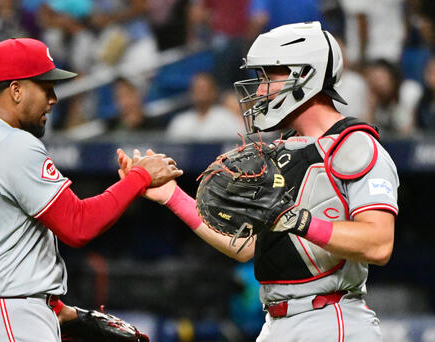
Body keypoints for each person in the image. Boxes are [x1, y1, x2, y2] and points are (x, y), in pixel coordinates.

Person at [119, 22, 398, 341]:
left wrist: (299, 221)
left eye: (269, 77)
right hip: (277, 322)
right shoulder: (282, 149)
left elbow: (379, 243)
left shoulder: (355, 145)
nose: (261, 89)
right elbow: (244, 246)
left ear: (305, 75)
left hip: (330, 318)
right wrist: (171, 195)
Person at [0, 38, 182, 342]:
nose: (54, 98)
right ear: (16, 90)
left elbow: (5, 241)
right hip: (9, 317)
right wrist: (138, 178)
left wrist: (56, 308)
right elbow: (78, 224)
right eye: (45, 87)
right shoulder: (10, 142)